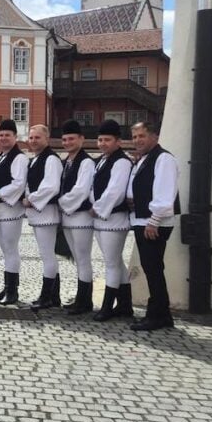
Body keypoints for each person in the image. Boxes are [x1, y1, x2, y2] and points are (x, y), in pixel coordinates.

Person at [127, 121, 180, 331]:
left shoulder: (163, 158)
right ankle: (161, 313)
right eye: (134, 137)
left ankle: (157, 315)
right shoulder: (145, 159)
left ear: (155, 137)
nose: (137, 140)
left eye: (142, 136)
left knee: (154, 269)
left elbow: (165, 192)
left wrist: (154, 220)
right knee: (152, 268)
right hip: (143, 220)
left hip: (153, 223)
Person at [90, 119, 134, 321]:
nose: (102, 144)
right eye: (100, 140)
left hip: (113, 218)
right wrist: (94, 205)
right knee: (117, 262)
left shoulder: (122, 161)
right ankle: (125, 305)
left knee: (111, 263)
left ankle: (107, 306)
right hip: (101, 218)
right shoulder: (102, 160)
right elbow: (94, 187)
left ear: (118, 141)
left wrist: (97, 208)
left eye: (107, 140)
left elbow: (115, 191)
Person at [0, 119, 28, 306]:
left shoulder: (19, 157)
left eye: (7, 135)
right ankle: (6, 286)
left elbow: (18, 183)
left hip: (10, 209)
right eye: (1, 135)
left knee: (11, 250)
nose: (3, 138)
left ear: (15, 137)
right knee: (5, 250)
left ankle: (13, 291)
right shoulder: (1, 156)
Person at [23, 125, 64, 310]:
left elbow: (52, 186)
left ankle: (47, 296)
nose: (33, 141)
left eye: (37, 137)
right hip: (40, 214)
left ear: (46, 139)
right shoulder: (37, 159)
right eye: (31, 138)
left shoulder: (51, 160)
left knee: (48, 256)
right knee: (47, 255)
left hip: (47, 213)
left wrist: (31, 199)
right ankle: (53, 296)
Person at [58, 120, 96, 314]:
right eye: (64, 139)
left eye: (71, 138)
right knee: (77, 259)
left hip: (81, 216)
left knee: (83, 259)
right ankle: (81, 298)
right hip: (68, 217)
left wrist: (61, 203)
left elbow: (81, 190)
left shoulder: (86, 162)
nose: (67, 142)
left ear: (81, 139)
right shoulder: (66, 162)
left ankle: (85, 301)